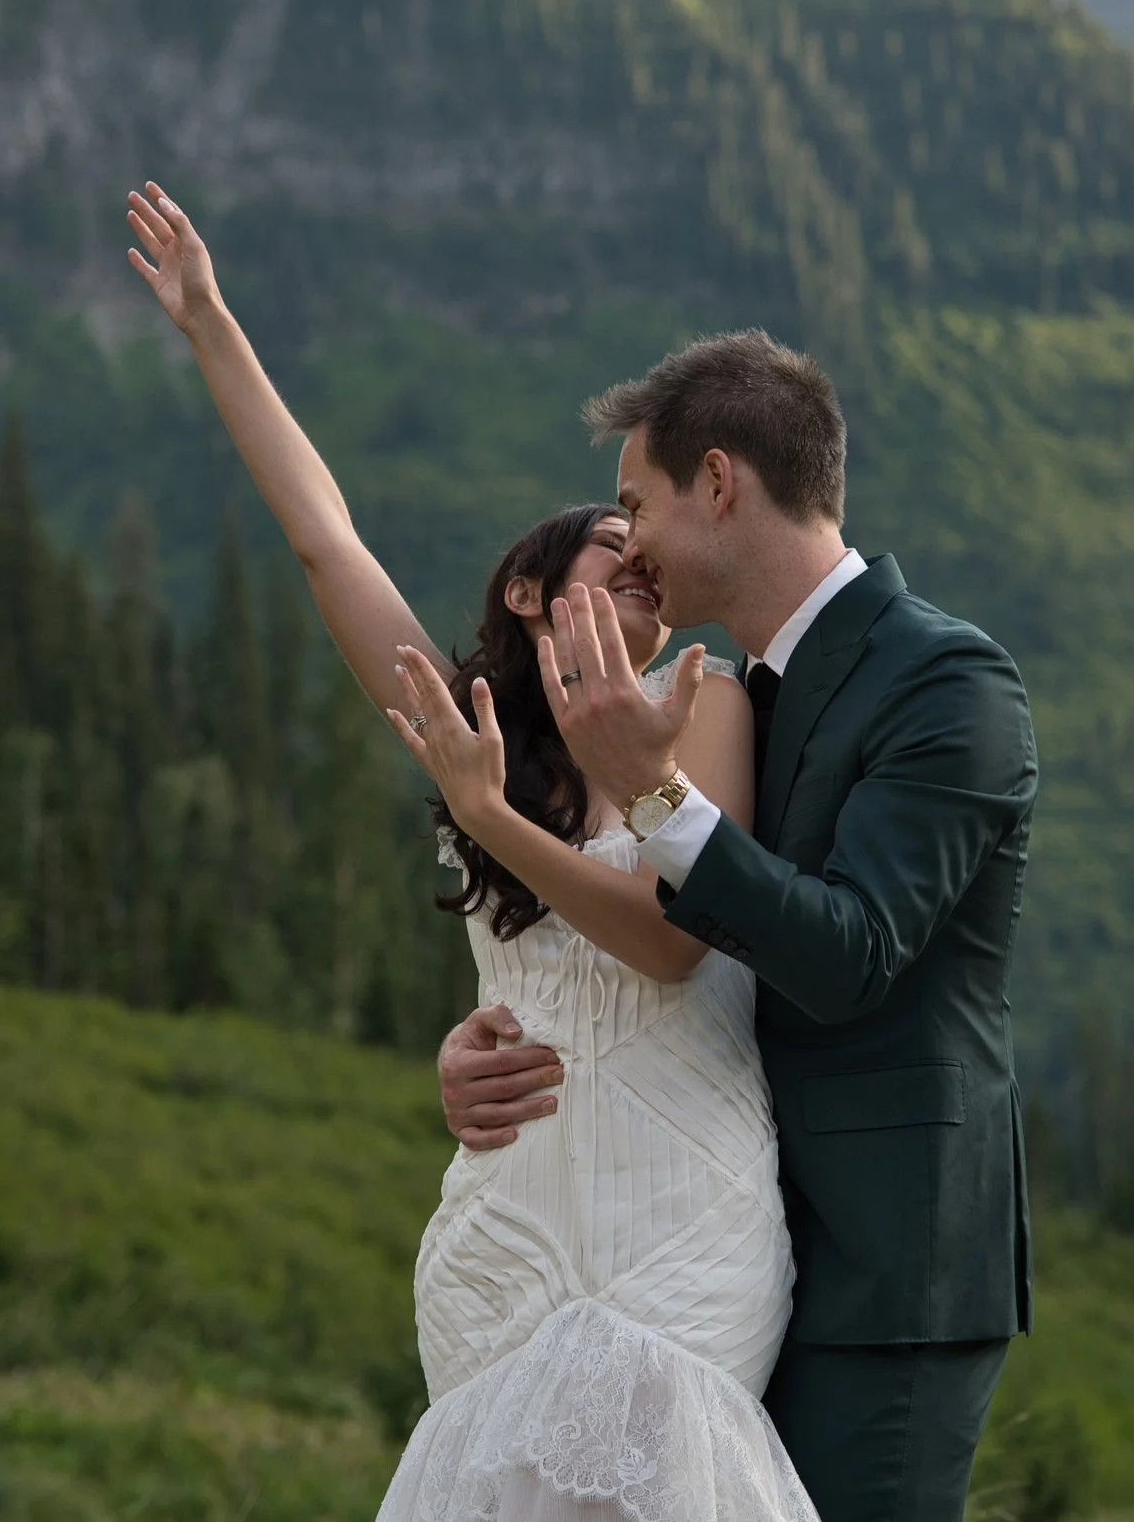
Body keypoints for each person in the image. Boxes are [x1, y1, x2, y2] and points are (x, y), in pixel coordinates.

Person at [124, 184, 820, 1520]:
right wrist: (212, 324)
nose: (644, 579)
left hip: (676, 1216)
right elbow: (326, 543)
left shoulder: (708, 705)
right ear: (525, 588)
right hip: (509, 1228)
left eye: (653, 569)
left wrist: (490, 817)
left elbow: (673, 941)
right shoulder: (472, 736)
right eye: (612, 553)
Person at [438, 329, 1040, 1521]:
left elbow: (851, 951)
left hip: (881, 1275)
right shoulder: (746, 700)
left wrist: (654, 792)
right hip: (724, 1260)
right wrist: (479, 1046)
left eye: (636, 504)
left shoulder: (948, 684)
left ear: (716, 484)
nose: (633, 547)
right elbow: (674, 965)